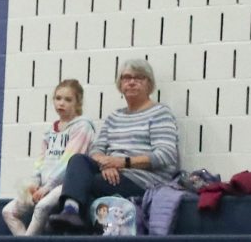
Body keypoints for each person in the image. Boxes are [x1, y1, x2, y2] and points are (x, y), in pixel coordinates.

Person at [53, 58, 181, 230]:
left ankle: (74, 223)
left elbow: (165, 155)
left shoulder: (160, 113)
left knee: (88, 184)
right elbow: (96, 149)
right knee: (78, 160)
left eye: (139, 77)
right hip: (112, 172)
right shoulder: (114, 117)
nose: (132, 82)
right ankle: (70, 211)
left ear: (149, 84)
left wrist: (122, 163)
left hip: (142, 181)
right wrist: (105, 164)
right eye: (126, 77)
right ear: (120, 84)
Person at [3, 80, 94, 235]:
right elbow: (41, 160)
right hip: (43, 186)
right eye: (58, 98)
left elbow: (68, 160)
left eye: (68, 100)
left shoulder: (82, 126)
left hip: (65, 186)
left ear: (78, 102)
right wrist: (34, 182)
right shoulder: (49, 130)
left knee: (41, 207)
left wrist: (48, 187)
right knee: (8, 211)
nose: (61, 103)